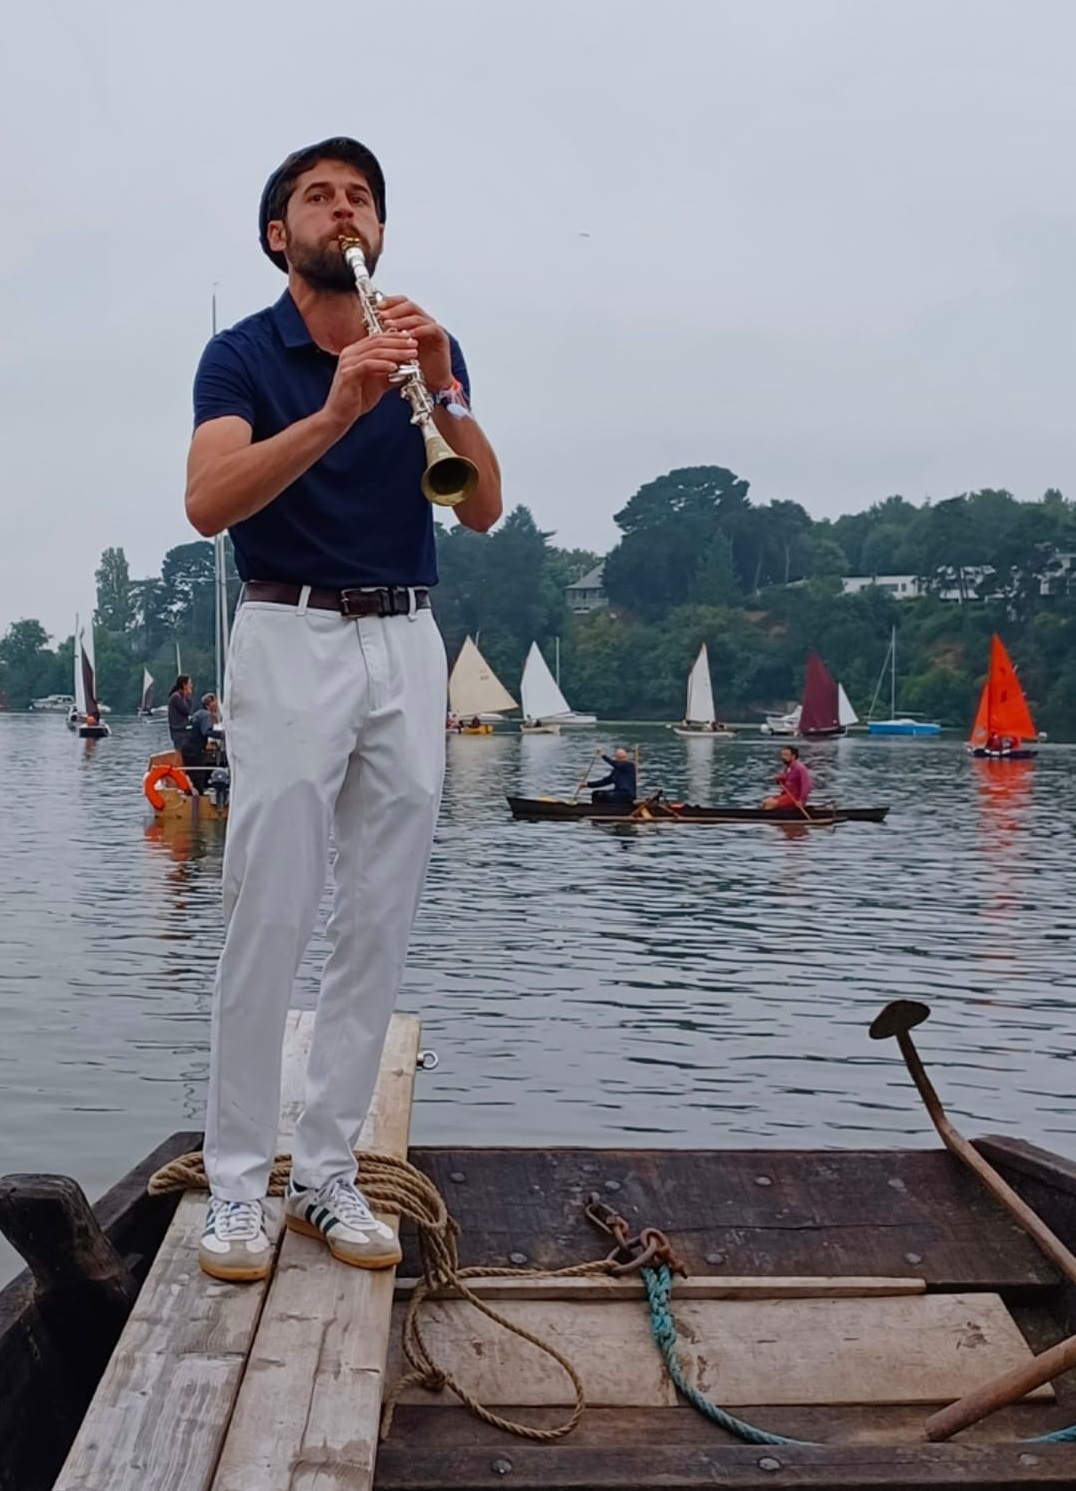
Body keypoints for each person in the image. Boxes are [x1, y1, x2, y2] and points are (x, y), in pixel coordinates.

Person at [185, 136, 501, 1282]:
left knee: (378, 915)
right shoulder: (241, 356)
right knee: (269, 909)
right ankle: (237, 1185)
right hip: (290, 631)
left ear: (378, 228)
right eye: (319, 197)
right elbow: (208, 502)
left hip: (405, 635)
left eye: (359, 196)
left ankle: (325, 1172)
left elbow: (482, 506)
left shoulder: (424, 345)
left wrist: (440, 385)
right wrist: (333, 409)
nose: (343, 210)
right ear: (280, 235)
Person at [181, 692, 221, 794]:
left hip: (187, 748)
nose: (217, 705)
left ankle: (193, 794)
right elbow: (206, 731)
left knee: (193, 774)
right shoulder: (206, 715)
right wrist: (223, 735)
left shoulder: (198, 714)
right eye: (215, 702)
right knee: (198, 775)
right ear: (210, 703)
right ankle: (198, 797)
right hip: (194, 750)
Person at [763, 745, 812, 811]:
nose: (783, 757)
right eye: (782, 755)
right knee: (765, 802)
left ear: (793, 756)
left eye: (786, 755)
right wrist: (779, 779)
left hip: (795, 797)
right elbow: (786, 780)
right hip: (787, 795)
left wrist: (801, 800)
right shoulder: (788, 768)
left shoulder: (800, 768)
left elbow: (806, 786)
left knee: (771, 804)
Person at [167, 675, 193, 752]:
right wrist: (189, 697)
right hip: (179, 731)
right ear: (184, 685)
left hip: (181, 731)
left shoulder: (180, 696)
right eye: (189, 683)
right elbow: (187, 711)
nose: (191, 685)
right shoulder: (176, 696)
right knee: (181, 752)